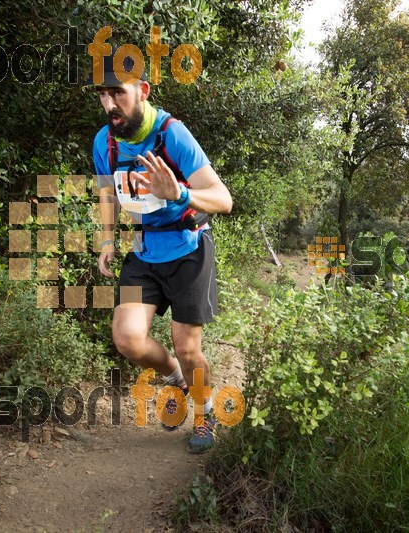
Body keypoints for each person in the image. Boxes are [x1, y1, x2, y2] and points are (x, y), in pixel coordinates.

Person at [87, 50, 232, 454]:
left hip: (188, 251)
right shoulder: (105, 142)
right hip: (144, 254)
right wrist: (107, 239)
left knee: (187, 346)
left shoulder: (172, 134)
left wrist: (179, 192)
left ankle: (203, 415)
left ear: (143, 90)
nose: (109, 104)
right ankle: (177, 380)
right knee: (128, 339)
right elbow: (106, 193)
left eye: (117, 93)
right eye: (102, 94)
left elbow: (223, 199)